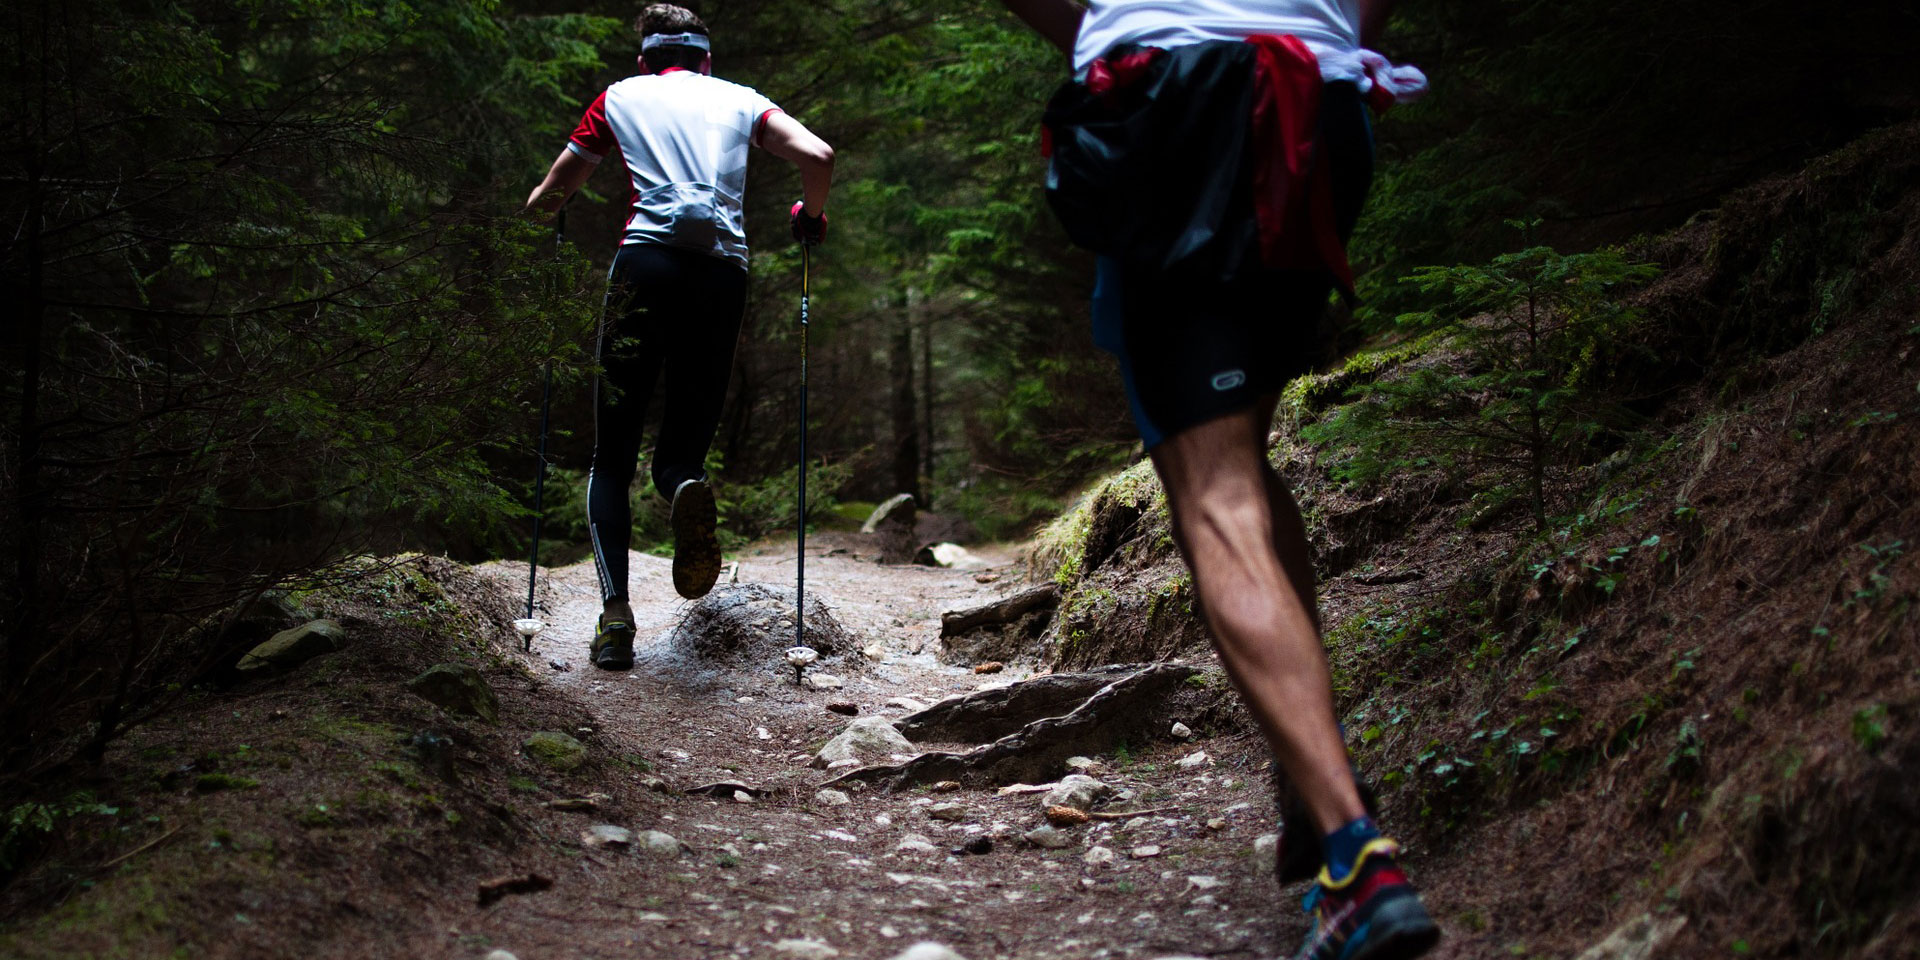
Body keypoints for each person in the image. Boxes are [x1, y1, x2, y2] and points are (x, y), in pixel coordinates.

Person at [997, 2, 1437, 959]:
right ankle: (1311, 785)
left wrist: (1100, 31)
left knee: (1216, 496)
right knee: (1244, 460)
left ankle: (1357, 859)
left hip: (1169, 103)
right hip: (1319, 106)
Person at [524, 4, 834, 671]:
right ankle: (682, 487)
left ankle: (615, 621)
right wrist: (810, 216)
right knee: (681, 454)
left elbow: (554, 190)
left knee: (611, 455)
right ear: (706, 60)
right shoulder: (741, 100)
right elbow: (818, 155)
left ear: (645, 60)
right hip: (721, 275)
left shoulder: (619, 97)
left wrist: (543, 211)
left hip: (645, 267)